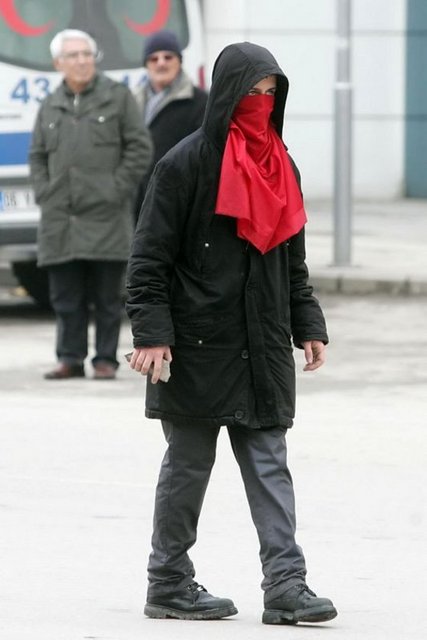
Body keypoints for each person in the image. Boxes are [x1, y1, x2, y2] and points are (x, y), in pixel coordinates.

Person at [125, 42, 338, 625]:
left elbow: (292, 262)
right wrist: (151, 334)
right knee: (188, 466)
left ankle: (286, 586)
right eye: (251, 92)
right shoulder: (184, 165)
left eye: (271, 94)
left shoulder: (282, 165)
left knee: (270, 464)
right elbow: (147, 260)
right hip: (195, 345)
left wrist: (307, 323)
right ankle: (168, 581)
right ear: (226, 94)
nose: (261, 104)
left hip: (262, 343)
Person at [29, 29, 153, 380]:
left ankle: (105, 360)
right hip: (61, 218)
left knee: (107, 297)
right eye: (74, 55)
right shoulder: (50, 104)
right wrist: (44, 191)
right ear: (58, 63)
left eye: (87, 54)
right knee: (65, 296)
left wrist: (116, 188)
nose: (82, 61)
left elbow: (139, 147)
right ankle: (70, 358)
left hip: (106, 214)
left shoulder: (117, 97)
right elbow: (37, 155)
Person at [133, 30, 207, 219]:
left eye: (168, 57)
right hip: (136, 203)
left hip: (176, 203)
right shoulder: (131, 101)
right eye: (154, 58)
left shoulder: (201, 102)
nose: (161, 63)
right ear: (146, 64)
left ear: (179, 61)